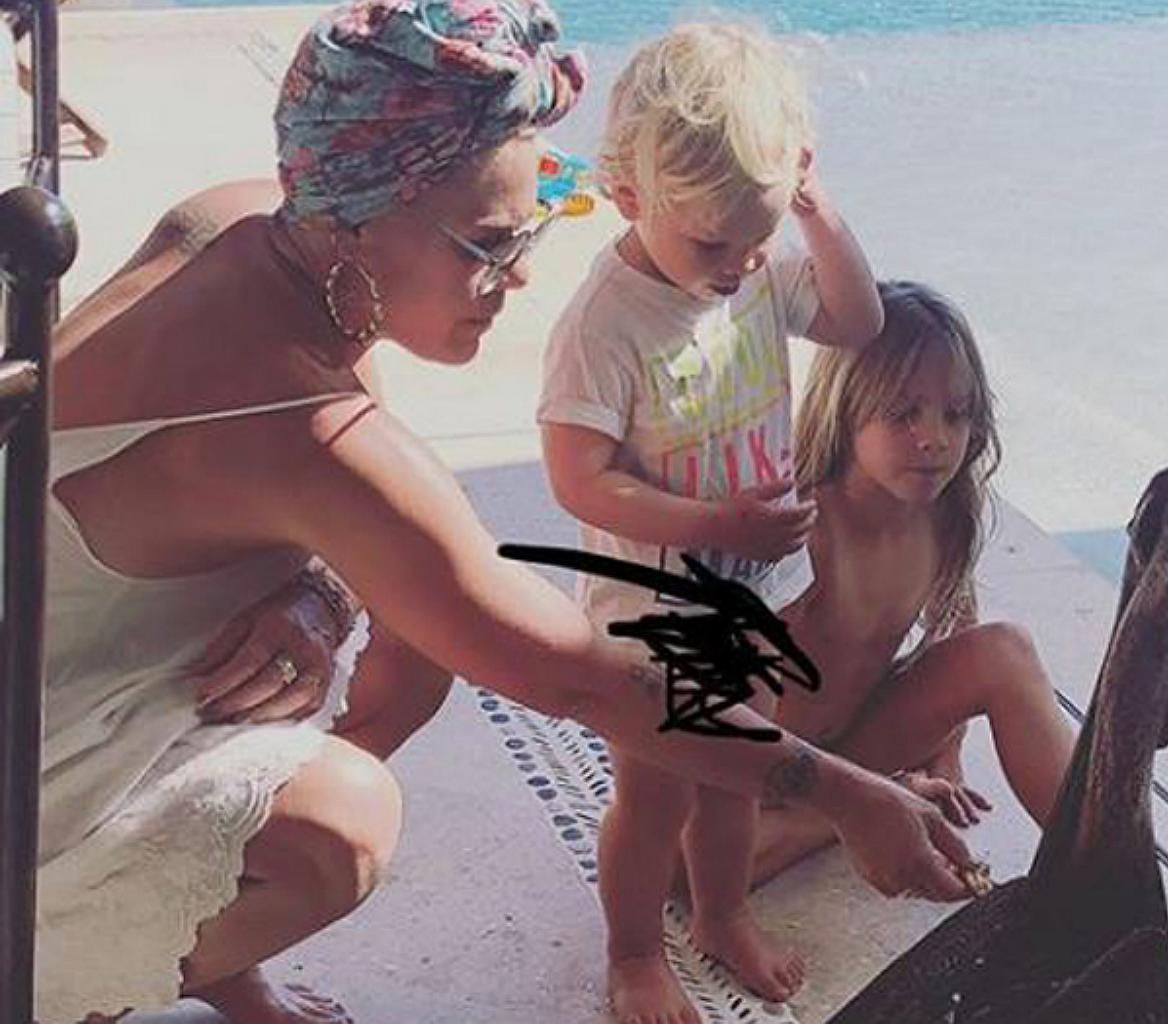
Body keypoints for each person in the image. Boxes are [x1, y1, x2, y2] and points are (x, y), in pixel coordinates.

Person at [36, 3, 975, 1022]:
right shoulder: (304, 430)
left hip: (79, 655)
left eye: (536, 221)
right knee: (346, 827)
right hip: (39, 749)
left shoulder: (258, 222)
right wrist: (846, 794)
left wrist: (317, 594)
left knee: (414, 638)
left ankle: (213, 939)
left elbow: (303, 497)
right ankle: (69, 977)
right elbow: (572, 673)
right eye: (488, 241)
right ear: (358, 219)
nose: (520, 273)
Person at [730, 279, 1168, 993]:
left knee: (1005, 649)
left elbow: (957, 618)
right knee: (688, 868)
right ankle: (871, 802)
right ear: (845, 409)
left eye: (956, 413)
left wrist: (947, 752)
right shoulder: (807, 529)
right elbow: (728, 716)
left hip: (853, 739)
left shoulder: (943, 514)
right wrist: (847, 799)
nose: (934, 437)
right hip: (756, 770)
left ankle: (1119, 903)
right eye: (903, 414)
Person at [535, 22, 883, 1023]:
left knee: (739, 773)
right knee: (654, 797)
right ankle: (634, 953)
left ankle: (723, 913)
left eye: (759, 234)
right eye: (713, 243)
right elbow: (579, 481)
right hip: (653, 616)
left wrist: (815, 213)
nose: (740, 264)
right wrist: (713, 519)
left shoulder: (757, 266)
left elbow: (859, 322)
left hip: (748, 595)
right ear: (628, 194)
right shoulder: (605, 324)